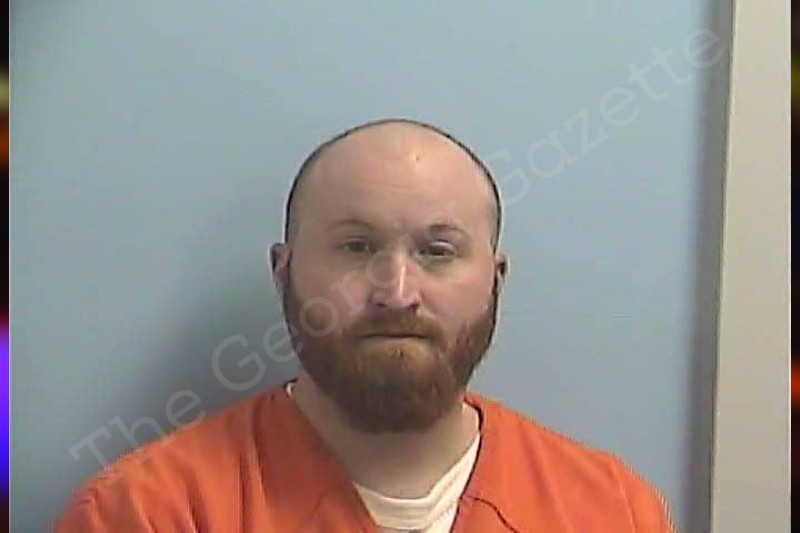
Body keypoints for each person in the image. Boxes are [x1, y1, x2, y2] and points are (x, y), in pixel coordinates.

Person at [55, 119, 673, 532]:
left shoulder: (612, 512)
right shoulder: (147, 513)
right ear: (284, 273)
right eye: (355, 247)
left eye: (437, 251)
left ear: (496, 279)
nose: (397, 294)